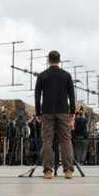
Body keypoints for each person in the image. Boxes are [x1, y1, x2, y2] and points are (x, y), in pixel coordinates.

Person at [34, 50, 76, 179]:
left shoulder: (42, 76)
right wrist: (72, 112)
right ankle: (68, 169)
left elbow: (37, 95)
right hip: (63, 110)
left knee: (47, 140)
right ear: (60, 60)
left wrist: (38, 112)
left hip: (47, 111)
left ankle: (48, 171)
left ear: (48, 60)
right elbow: (71, 95)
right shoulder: (66, 75)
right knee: (65, 140)